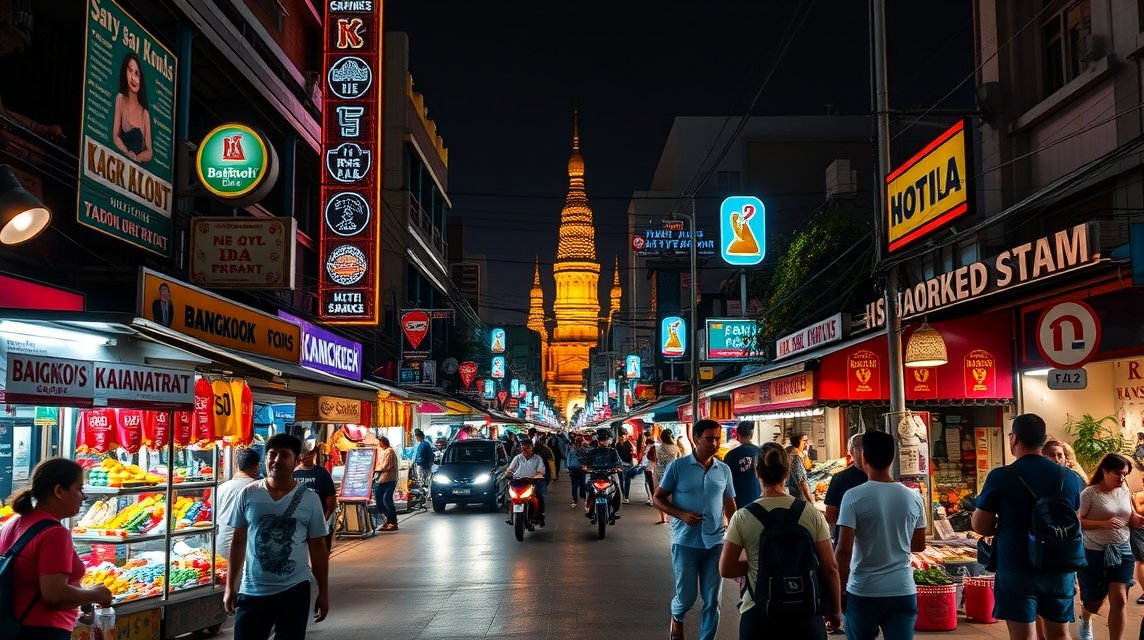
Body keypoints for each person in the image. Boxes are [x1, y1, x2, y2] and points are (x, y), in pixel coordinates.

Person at [972, 413, 1085, 640]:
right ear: (1043, 440)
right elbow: (1073, 517)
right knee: (1060, 634)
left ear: (1014, 439)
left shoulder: (1001, 476)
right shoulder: (1069, 477)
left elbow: (982, 526)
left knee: (1023, 636)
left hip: (1016, 565)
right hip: (1059, 565)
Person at [720, 441, 842, 638]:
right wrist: (835, 611)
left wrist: (757, 564)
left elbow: (726, 568)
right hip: (805, 611)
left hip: (759, 613)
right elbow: (830, 568)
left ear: (756, 473)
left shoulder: (742, 517)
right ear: (786, 473)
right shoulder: (810, 513)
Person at [224, 434, 329, 640]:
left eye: (284, 455)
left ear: (297, 460)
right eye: (272, 454)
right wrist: (230, 586)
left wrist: (323, 592)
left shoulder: (310, 500)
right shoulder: (248, 494)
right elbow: (238, 542)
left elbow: (318, 549)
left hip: (294, 591)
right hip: (252, 590)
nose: (276, 460)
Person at [1, 458, 113, 640]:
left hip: (13, 626)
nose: (83, 497)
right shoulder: (55, 533)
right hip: (43, 630)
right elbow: (54, 595)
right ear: (59, 491)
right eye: (79, 489)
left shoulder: (14, 523)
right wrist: (95, 594)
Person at [834, 430, 926, 640]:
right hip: (902, 590)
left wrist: (838, 593)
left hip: (864, 591)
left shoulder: (853, 496)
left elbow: (843, 550)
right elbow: (919, 545)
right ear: (892, 457)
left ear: (864, 456)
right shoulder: (914, 497)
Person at [653, 420, 736, 640]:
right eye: (710, 438)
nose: (715, 443)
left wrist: (739, 538)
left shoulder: (724, 470)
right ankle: (677, 615)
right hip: (685, 542)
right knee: (687, 597)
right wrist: (681, 515)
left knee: (713, 600)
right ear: (696, 439)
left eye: (718, 438)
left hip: (715, 543)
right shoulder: (677, 467)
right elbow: (658, 498)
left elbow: (730, 506)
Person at [1076, 454, 1142, 640]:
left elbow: (1129, 514)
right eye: (1117, 474)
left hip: (1122, 549)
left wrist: (1136, 519)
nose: (1121, 478)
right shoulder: (1089, 494)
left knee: (1120, 599)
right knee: (1094, 601)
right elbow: (1077, 521)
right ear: (1104, 471)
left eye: (1124, 475)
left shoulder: (1123, 490)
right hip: (1095, 551)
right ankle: (1086, 617)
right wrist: (1102, 524)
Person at [824, 434, 867, 546]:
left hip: (846, 540)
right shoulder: (878, 478)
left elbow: (830, 516)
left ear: (851, 452)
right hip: (870, 542)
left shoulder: (839, 478)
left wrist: (847, 523)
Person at [217, 448, 261, 560]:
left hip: (221, 548)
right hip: (246, 552)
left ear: (237, 466)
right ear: (257, 467)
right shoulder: (259, 488)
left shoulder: (222, 488)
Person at [294, 440, 337, 550]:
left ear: (313, 455)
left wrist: (323, 520)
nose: (304, 457)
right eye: (302, 454)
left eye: (308, 454)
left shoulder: (322, 474)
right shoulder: (292, 473)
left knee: (320, 553)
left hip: (318, 523)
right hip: (297, 524)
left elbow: (331, 501)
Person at [112, 52, 153, 163]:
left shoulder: (144, 113)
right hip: (120, 163)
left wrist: (136, 158)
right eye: (130, 71)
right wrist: (127, 153)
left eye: (137, 73)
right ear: (125, 72)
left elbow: (149, 152)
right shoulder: (120, 99)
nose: (133, 78)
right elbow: (115, 136)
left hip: (137, 171)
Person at [504, 439, 548, 527]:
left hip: (532, 482)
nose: (525, 451)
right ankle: (510, 516)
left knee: (539, 496)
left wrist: (537, 476)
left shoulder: (537, 458)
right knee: (512, 498)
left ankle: (541, 516)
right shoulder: (518, 458)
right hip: (518, 482)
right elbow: (511, 469)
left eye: (528, 448)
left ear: (532, 448)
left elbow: (541, 471)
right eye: (523, 448)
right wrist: (507, 474)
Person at [582, 428, 624, 518]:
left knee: (617, 489)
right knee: (587, 489)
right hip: (594, 475)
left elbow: (618, 462)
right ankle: (589, 508)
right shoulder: (592, 451)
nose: (603, 442)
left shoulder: (613, 451)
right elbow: (586, 462)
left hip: (610, 475)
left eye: (605, 440)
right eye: (601, 440)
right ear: (598, 440)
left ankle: (615, 510)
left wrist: (618, 467)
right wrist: (585, 467)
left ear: (609, 440)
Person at [723, 421, 761, 510]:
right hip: (759, 501)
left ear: (738, 434)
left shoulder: (731, 455)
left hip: (739, 503)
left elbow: (726, 484)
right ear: (751, 434)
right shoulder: (761, 452)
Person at [654, 429, 681, 525]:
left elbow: (656, 461)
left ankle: (663, 518)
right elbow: (679, 459)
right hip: (673, 473)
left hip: (660, 473)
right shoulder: (675, 447)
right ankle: (674, 515)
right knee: (672, 495)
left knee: (659, 495)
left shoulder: (658, 448)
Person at [372, 436, 398, 531]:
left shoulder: (389, 452)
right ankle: (388, 519)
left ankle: (392, 522)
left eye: (380, 442)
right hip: (383, 479)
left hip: (389, 479)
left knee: (386, 499)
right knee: (380, 498)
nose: (379, 444)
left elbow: (386, 466)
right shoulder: (383, 451)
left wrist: (375, 470)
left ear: (383, 442)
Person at [786, 433, 814, 502]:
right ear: (798, 441)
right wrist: (811, 500)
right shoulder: (795, 457)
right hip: (796, 495)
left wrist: (805, 454)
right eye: (804, 440)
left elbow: (808, 466)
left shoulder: (798, 454)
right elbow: (802, 481)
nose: (806, 443)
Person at [616, 430, 636, 503]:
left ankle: (624, 496)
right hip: (628, 464)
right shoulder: (628, 443)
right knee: (627, 481)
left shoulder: (618, 444)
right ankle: (626, 497)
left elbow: (617, 456)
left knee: (622, 481)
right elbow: (632, 453)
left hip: (622, 465)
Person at [567, 432, 586, 507]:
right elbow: (586, 459)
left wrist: (568, 468)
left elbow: (568, 459)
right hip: (581, 468)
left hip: (573, 468)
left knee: (574, 485)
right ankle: (584, 497)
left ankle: (575, 500)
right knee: (582, 483)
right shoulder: (584, 449)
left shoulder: (571, 450)